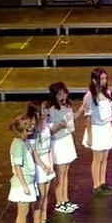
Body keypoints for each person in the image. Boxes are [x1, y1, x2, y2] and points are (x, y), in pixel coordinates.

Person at [7, 112, 43, 223]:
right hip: (22, 184)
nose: (32, 130)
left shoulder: (24, 143)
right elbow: (17, 167)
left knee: (26, 211)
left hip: (28, 181)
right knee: (22, 213)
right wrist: (24, 186)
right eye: (30, 128)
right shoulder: (17, 145)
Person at [79, 68, 112, 196]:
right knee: (97, 158)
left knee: (105, 157)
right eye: (101, 79)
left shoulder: (107, 92)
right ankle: (96, 185)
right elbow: (88, 118)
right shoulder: (89, 96)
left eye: (105, 78)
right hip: (96, 129)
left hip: (106, 127)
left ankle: (102, 182)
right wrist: (90, 136)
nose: (104, 81)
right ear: (94, 80)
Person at [46, 82, 80, 214]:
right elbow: (48, 130)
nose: (62, 96)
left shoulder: (67, 106)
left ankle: (65, 199)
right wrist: (59, 126)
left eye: (64, 93)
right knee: (59, 175)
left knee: (65, 173)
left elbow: (71, 122)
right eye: (59, 94)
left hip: (67, 140)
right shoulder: (51, 111)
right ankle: (59, 202)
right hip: (58, 143)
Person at [27, 102, 57, 223]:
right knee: (40, 196)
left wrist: (50, 163)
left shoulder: (45, 124)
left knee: (46, 195)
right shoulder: (33, 129)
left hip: (47, 160)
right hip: (38, 164)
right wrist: (44, 166)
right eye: (44, 109)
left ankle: (43, 221)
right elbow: (33, 152)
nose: (46, 111)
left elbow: (49, 144)